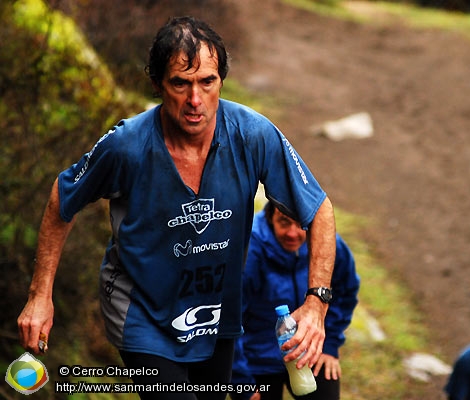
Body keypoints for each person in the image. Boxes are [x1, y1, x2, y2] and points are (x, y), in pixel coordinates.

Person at [17, 16, 336, 400]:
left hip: (216, 317)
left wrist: (316, 304)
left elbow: (318, 209)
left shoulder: (252, 134)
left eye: (207, 82)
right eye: (180, 84)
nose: (195, 100)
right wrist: (40, 295)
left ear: (221, 81)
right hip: (142, 315)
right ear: (157, 84)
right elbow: (62, 199)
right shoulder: (126, 146)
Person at [230, 201, 360, 400]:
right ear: (270, 218)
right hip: (256, 360)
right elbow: (230, 319)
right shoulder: (250, 250)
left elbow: (347, 289)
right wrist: (241, 382)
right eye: (284, 222)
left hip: (309, 352)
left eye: (302, 224)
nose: (293, 233)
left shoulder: (325, 241)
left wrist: (330, 343)